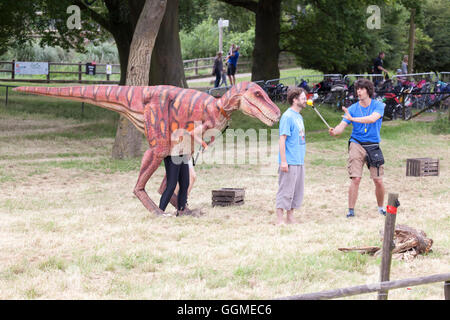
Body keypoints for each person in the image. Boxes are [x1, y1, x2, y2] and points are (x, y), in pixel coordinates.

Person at [328, 79, 386, 218]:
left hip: (373, 145)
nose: (358, 92)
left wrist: (352, 119)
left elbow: (372, 119)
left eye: (361, 89)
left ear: (368, 90)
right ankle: (351, 211)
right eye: (357, 89)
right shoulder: (353, 108)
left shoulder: (379, 105)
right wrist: (335, 131)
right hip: (356, 143)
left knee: (378, 180)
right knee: (356, 179)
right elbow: (342, 126)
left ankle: (380, 208)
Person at [275, 87, 307, 225]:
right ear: (295, 100)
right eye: (303, 98)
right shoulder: (287, 116)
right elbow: (282, 139)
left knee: (296, 191)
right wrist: (283, 161)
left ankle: (290, 217)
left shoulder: (299, 116)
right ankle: (279, 219)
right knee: (285, 189)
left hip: (299, 160)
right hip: (289, 160)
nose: (306, 100)